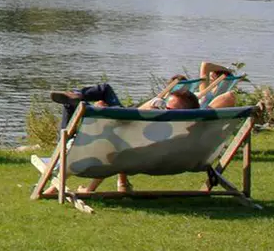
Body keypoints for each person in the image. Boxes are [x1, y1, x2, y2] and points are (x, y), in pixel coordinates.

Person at [48, 81, 201, 194]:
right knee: (102, 94)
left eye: (168, 108)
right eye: (165, 106)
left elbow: (123, 137)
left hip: (108, 137)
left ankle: (77, 98)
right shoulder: (182, 135)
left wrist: (103, 111)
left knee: (95, 94)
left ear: (182, 113)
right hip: (121, 145)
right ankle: (77, 97)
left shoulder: (159, 125)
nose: (164, 109)